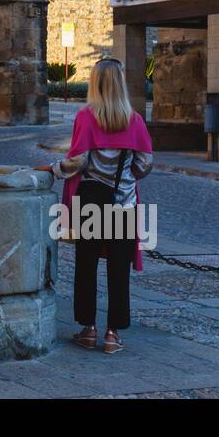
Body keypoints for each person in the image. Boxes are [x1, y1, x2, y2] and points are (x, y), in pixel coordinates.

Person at [40, 58, 152, 354]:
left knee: (86, 267)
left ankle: (88, 329)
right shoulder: (135, 120)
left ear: (95, 83)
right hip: (124, 205)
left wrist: (52, 169)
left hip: (91, 203)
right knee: (119, 270)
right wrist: (126, 175)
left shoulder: (86, 117)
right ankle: (113, 334)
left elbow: (77, 162)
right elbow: (145, 163)